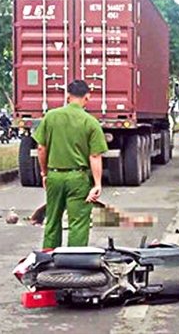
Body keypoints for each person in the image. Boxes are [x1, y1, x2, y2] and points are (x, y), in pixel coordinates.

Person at [33, 80, 108, 248]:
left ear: (67, 95)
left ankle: (48, 257)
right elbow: (95, 156)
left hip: (54, 176)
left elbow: (41, 148)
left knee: (52, 219)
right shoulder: (90, 122)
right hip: (78, 178)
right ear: (87, 97)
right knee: (78, 223)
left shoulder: (50, 117)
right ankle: (75, 263)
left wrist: (45, 174)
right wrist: (97, 184)